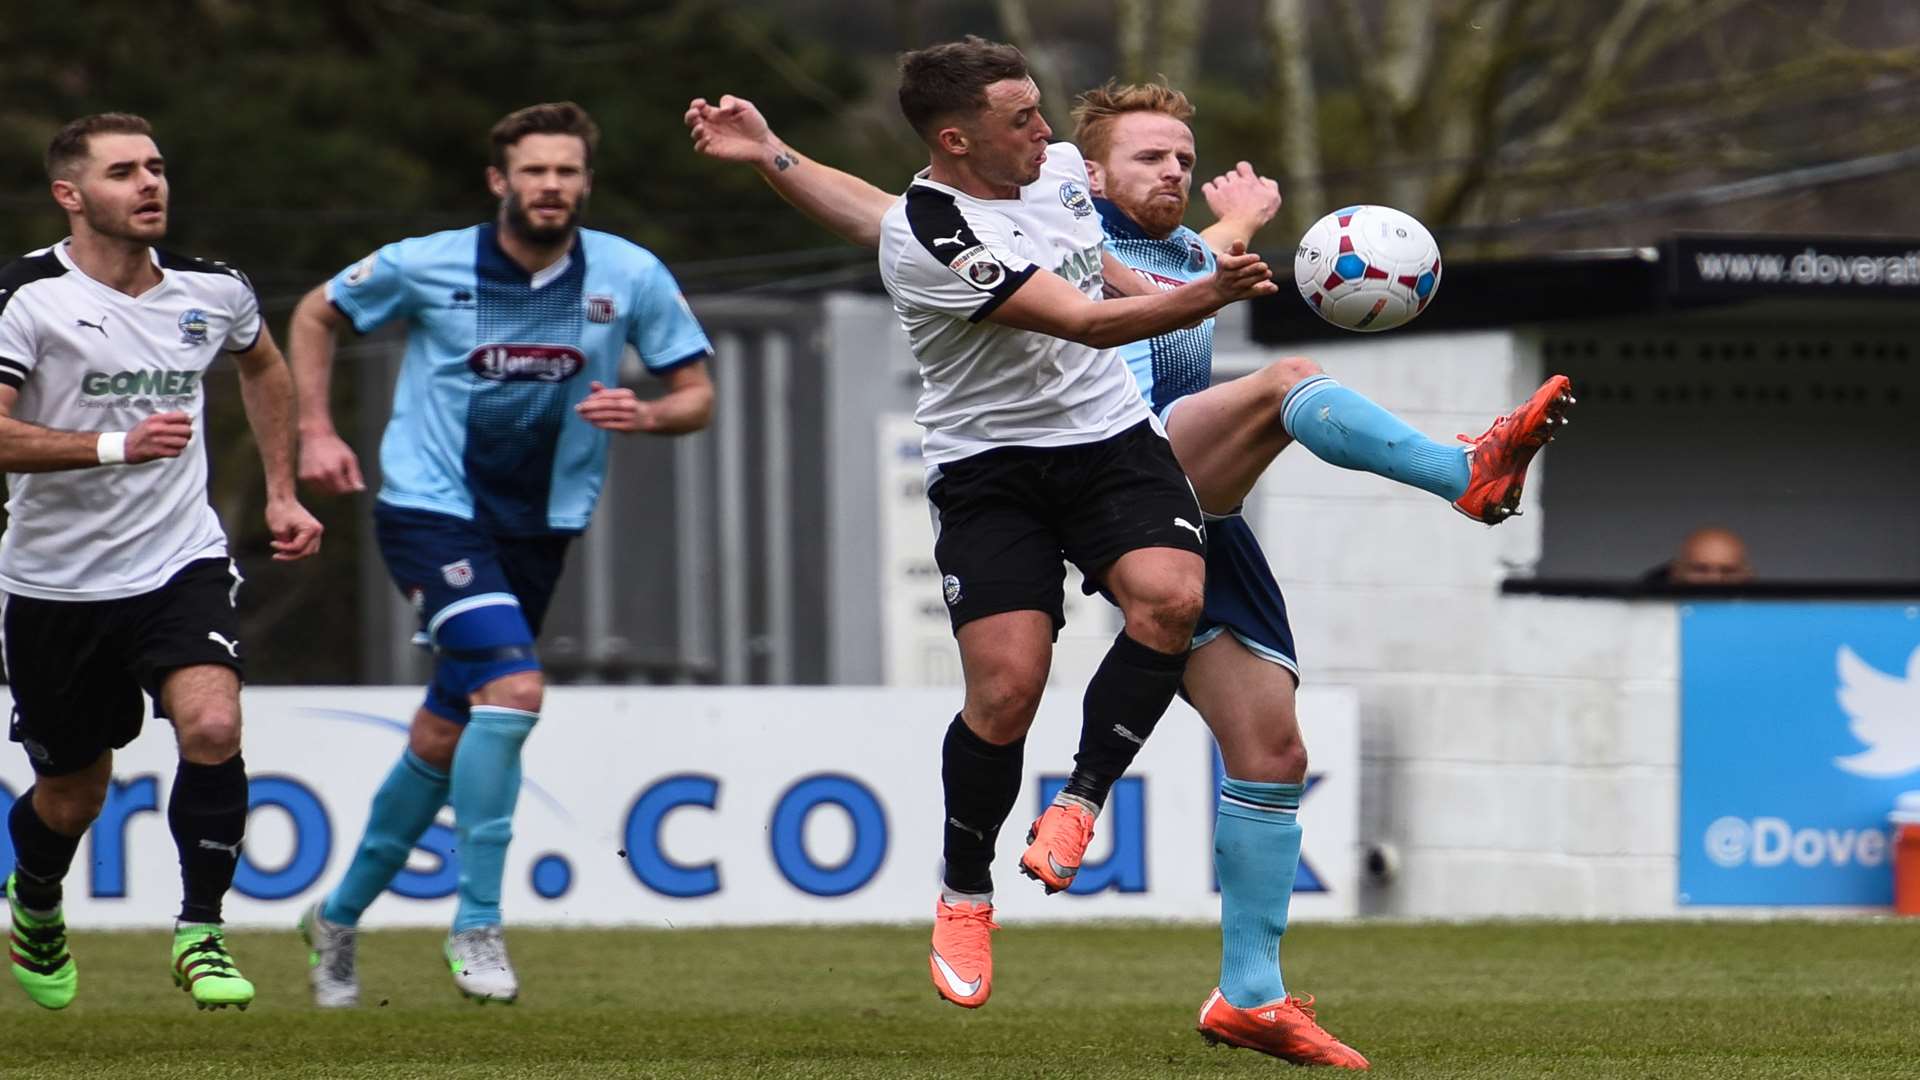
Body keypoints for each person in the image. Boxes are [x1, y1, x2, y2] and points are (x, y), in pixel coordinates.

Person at [687, 79, 1572, 1068]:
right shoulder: (1027, 212)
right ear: (1092, 169)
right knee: (1279, 389)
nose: (1174, 172)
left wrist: (1237, 217)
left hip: (1158, 487)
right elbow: (900, 224)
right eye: (1150, 156)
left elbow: (1185, 244)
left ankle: (1249, 996)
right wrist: (774, 153)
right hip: (1081, 460)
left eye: (1185, 160)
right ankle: (1463, 470)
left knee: (1271, 748)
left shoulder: (1193, 247)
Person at [705, 37, 1279, 1014]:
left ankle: (1080, 801)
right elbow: (1080, 321)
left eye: (1038, 110)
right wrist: (1202, 293)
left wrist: (773, 153)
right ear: (958, 140)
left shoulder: (1051, 169)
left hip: (1110, 446)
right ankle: (965, 891)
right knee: (1007, 691)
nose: (1048, 131)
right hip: (993, 469)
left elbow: (1098, 276)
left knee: (1171, 601)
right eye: (1022, 119)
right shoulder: (934, 238)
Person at [287, 102, 715, 1007]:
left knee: (449, 729)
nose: (550, 186)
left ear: (585, 183)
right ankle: (476, 921)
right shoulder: (426, 262)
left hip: (543, 523)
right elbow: (316, 313)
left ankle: (336, 915)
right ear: (499, 181)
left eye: (566, 172)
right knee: (515, 690)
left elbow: (697, 397)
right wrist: (315, 434)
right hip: (430, 511)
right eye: (534, 171)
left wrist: (643, 413)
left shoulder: (628, 274)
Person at [0, 113, 324, 1012]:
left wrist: (282, 492)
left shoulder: (212, 290)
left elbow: (263, 366)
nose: (149, 185)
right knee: (72, 794)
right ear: (71, 196)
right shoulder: (27, 297)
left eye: (155, 167)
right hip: (55, 584)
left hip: (178, 559)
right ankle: (34, 899)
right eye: (121, 173)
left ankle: (201, 931)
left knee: (213, 726)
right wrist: (114, 445)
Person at [1648, 525, 1753, 585]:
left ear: (1747, 575)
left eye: (1728, 571)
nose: (1714, 580)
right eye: (1700, 570)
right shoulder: (1643, 616)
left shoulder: (1764, 616)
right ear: (1677, 572)